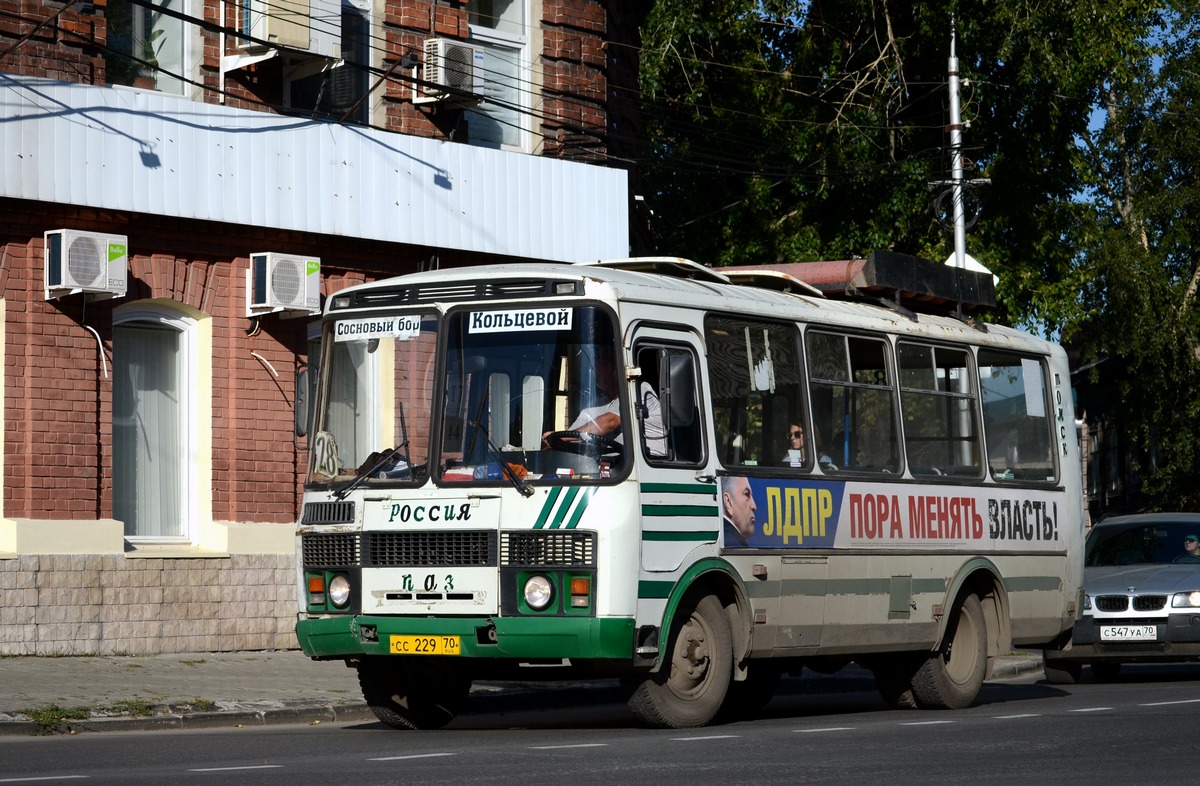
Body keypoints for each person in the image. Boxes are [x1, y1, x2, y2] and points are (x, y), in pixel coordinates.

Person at [721, 475, 756, 547]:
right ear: (728, 502)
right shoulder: (733, 545)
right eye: (746, 494)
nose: (754, 506)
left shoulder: (725, 540)